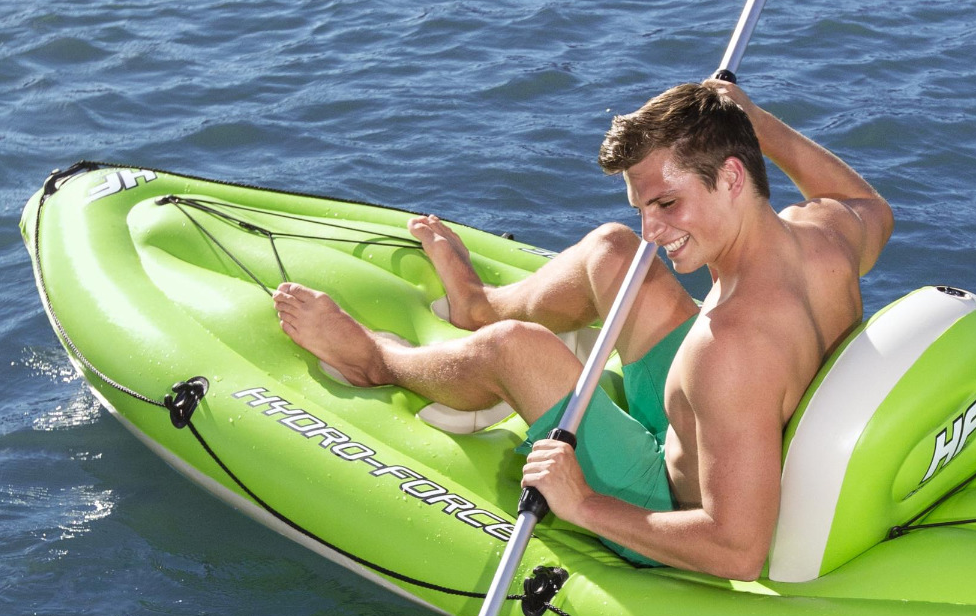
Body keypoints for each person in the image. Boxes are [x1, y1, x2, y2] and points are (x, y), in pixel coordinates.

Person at [272, 79, 893, 581]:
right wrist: (758, 122)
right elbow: (873, 207)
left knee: (516, 350)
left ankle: (375, 361)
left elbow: (737, 550)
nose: (654, 229)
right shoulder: (827, 236)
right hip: (718, 418)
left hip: (671, 501)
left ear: (732, 177)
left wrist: (583, 505)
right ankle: (478, 305)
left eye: (667, 204)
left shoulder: (729, 345)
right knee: (616, 253)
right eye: (644, 206)